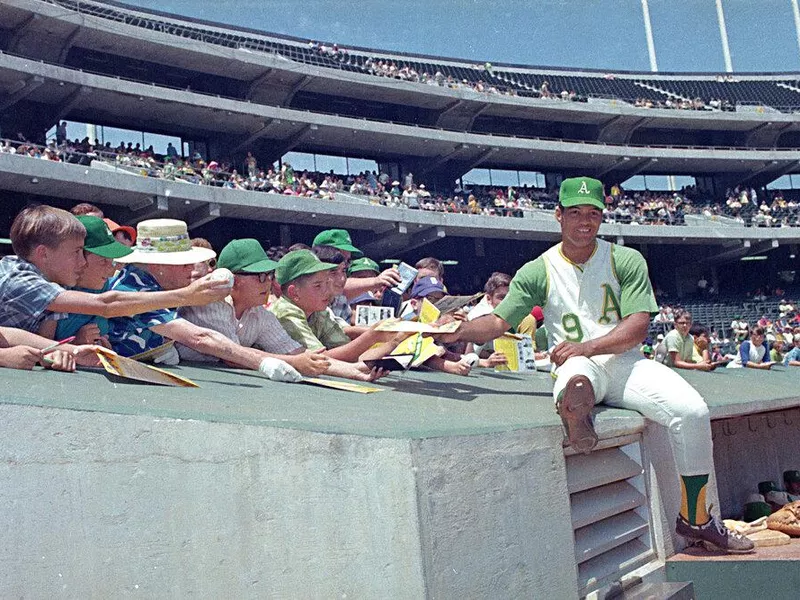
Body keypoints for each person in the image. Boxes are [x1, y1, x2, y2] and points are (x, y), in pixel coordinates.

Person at [436, 176, 753, 554]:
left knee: (693, 410)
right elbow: (498, 322)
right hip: (576, 365)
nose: (585, 222)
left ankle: (696, 518)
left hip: (622, 362)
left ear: (602, 217)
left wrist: (587, 346)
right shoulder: (539, 269)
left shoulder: (624, 259)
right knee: (574, 377)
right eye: (575, 213)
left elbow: (637, 326)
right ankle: (577, 410)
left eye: (593, 213)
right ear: (558, 216)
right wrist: (459, 330)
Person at [106, 219, 328, 380]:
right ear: (158, 265)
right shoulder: (137, 288)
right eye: (183, 263)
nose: (191, 270)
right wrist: (264, 363)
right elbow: (200, 338)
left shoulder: (154, 283)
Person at [0, 206, 228, 337]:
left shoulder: (56, 284)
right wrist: (187, 295)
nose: (82, 262)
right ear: (43, 253)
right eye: (77, 252)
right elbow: (106, 305)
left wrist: (70, 349)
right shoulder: (20, 280)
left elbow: (41, 341)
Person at [178, 239, 380, 382]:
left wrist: (354, 372)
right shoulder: (213, 304)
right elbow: (232, 356)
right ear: (233, 280)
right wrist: (296, 362)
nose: (267, 282)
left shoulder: (260, 315)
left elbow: (300, 354)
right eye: (259, 276)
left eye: (268, 274)